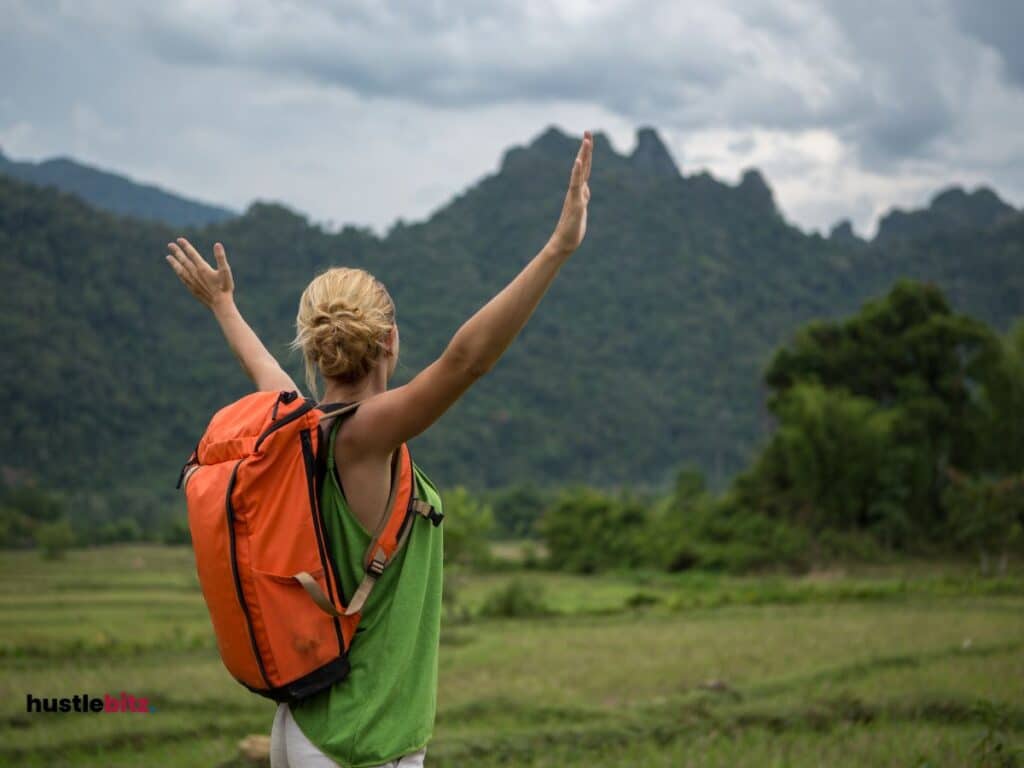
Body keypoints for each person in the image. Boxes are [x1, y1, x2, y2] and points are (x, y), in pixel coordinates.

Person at [165, 131, 594, 768]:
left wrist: (224, 305)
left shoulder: (306, 433)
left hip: (307, 726)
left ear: (312, 352)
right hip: (360, 741)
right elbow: (466, 360)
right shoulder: (365, 439)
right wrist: (558, 248)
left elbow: (267, 378)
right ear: (390, 341)